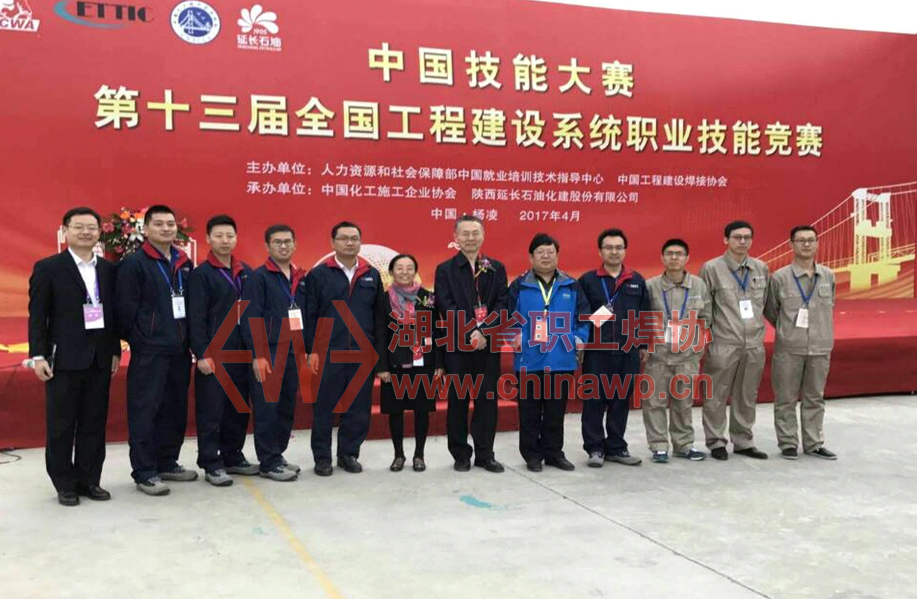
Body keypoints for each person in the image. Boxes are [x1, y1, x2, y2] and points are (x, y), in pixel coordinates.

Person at [28, 207, 120, 506]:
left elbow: (113, 314)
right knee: (61, 425)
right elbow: (38, 316)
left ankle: (89, 480)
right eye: (78, 227)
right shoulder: (49, 268)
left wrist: (115, 350)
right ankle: (64, 483)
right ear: (65, 231)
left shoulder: (108, 270)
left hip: (100, 358)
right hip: (64, 360)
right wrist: (38, 356)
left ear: (99, 232)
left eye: (91, 227)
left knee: (94, 423)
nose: (85, 232)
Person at [116, 205, 195, 495]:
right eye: (159, 224)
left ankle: (167, 461)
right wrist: (142, 338)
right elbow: (124, 309)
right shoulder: (134, 263)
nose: (166, 228)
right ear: (146, 229)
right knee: (145, 411)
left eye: (170, 224)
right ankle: (145, 471)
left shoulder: (183, 262)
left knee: (174, 408)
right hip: (150, 351)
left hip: (179, 349)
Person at [304, 221, 386, 476]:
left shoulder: (371, 275)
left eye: (354, 238)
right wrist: (310, 349)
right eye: (343, 238)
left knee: (358, 407)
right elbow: (309, 314)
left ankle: (348, 454)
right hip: (328, 351)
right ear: (332, 243)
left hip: (362, 352)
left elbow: (379, 318)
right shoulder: (319, 275)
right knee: (324, 407)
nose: (349, 243)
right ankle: (322, 458)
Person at [507, 233, 589, 472]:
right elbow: (507, 317)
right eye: (540, 252)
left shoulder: (571, 285)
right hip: (529, 359)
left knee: (555, 411)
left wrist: (578, 339)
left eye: (550, 252)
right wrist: (515, 336)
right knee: (529, 411)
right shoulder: (519, 285)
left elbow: (583, 318)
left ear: (557, 256)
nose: (546, 256)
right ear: (530, 257)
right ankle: (532, 455)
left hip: (561, 358)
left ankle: (554, 453)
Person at [434, 215, 508, 473]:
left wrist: (484, 332)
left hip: (488, 346)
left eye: (475, 233)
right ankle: (460, 455)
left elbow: (502, 304)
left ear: (483, 236)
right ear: (455, 237)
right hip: (458, 346)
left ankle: (485, 455)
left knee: (487, 401)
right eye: (464, 233)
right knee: (458, 400)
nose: (470, 238)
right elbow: (445, 305)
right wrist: (470, 332)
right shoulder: (445, 269)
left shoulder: (496, 268)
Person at [187, 215, 257, 486]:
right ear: (208, 239)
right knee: (212, 410)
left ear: (236, 238)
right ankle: (211, 462)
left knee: (238, 407)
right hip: (215, 354)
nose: (225, 241)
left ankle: (233, 456)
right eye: (219, 236)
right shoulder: (201, 274)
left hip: (242, 352)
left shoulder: (246, 271)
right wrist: (202, 353)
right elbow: (196, 318)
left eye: (229, 235)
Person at [764, 226, 837, 460]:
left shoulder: (828, 276)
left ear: (817, 244)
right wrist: (788, 331)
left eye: (811, 240)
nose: (806, 245)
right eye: (801, 240)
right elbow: (771, 310)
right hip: (789, 348)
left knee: (815, 397)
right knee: (785, 398)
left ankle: (814, 443)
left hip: (820, 346)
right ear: (791, 245)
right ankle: (788, 442)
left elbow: (831, 305)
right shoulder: (779, 278)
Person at [577, 228, 649, 467]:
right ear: (600, 251)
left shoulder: (636, 280)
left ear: (625, 251)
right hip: (597, 351)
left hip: (628, 351)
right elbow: (581, 314)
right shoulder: (588, 280)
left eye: (619, 248)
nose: (614, 252)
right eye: (609, 248)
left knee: (621, 400)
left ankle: (617, 447)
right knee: (594, 400)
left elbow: (644, 314)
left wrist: (643, 345)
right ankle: (595, 448)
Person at [699, 220, 770, 460]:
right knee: (715, 395)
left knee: (747, 395)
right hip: (723, 342)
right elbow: (705, 307)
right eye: (737, 237)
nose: (742, 241)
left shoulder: (761, 268)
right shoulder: (711, 269)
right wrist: (706, 339)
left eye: (747, 237)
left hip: (753, 344)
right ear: (726, 240)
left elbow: (765, 304)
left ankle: (743, 441)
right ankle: (716, 441)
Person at [241, 224, 305, 482]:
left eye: (288, 241)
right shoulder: (258, 278)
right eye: (277, 242)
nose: (283, 246)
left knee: (286, 407)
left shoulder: (300, 277)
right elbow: (251, 317)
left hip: (293, 352)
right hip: (269, 352)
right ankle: (268, 461)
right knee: (267, 409)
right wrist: (258, 355)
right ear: (267, 246)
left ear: (295, 244)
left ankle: (277, 454)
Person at [642, 239, 711, 463]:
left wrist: (696, 342)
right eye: (669, 253)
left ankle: (684, 445)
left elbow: (707, 316)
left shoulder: (699, 286)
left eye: (679, 254)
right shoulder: (650, 286)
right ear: (662, 258)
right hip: (658, 356)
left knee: (683, 403)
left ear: (687, 258)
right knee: (654, 403)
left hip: (687, 356)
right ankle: (659, 446)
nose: (674, 258)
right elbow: (642, 318)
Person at [375, 254, 443, 472]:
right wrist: (381, 366)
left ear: (415, 271)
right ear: (391, 272)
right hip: (395, 365)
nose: (404, 272)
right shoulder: (383, 299)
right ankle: (399, 455)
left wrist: (439, 364)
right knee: (395, 411)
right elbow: (380, 334)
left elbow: (437, 331)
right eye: (399, 268)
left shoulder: (428, 298)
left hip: (423, 363)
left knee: (422, 411)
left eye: (409, 268)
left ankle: (419, 455)